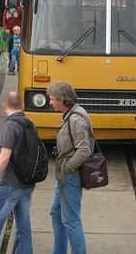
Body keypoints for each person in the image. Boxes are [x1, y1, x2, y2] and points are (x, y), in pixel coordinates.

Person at [0, 92, 36, 254]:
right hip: (27, 183)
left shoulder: (10, 125)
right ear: (22, 105)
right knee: (23, 227)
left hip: (9, 183)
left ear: (4, 105)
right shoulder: (29, 123)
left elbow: (4, 156)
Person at [48, 81, 93, 254]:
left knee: (71, 220)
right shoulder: (71, 114)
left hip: (70, 176)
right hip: (64, 176)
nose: (50, 102)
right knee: (56, 213)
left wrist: (67, 169)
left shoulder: (75, 119)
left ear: (62, 100)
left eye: (52, 99)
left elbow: (84, 150)